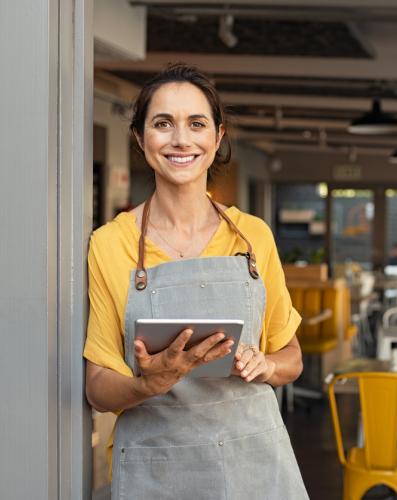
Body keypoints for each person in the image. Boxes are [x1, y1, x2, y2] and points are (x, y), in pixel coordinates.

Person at [84, 64, 308, 499]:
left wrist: (267, 365)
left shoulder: (252, 236)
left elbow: (292, 356)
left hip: (254, 463)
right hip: (159, 470)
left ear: (218, 137)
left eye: (197, 124)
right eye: (162, 123)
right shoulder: (111, 244)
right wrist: (148, 383)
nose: (181, 140)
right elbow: (97, 388)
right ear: (139, 137)